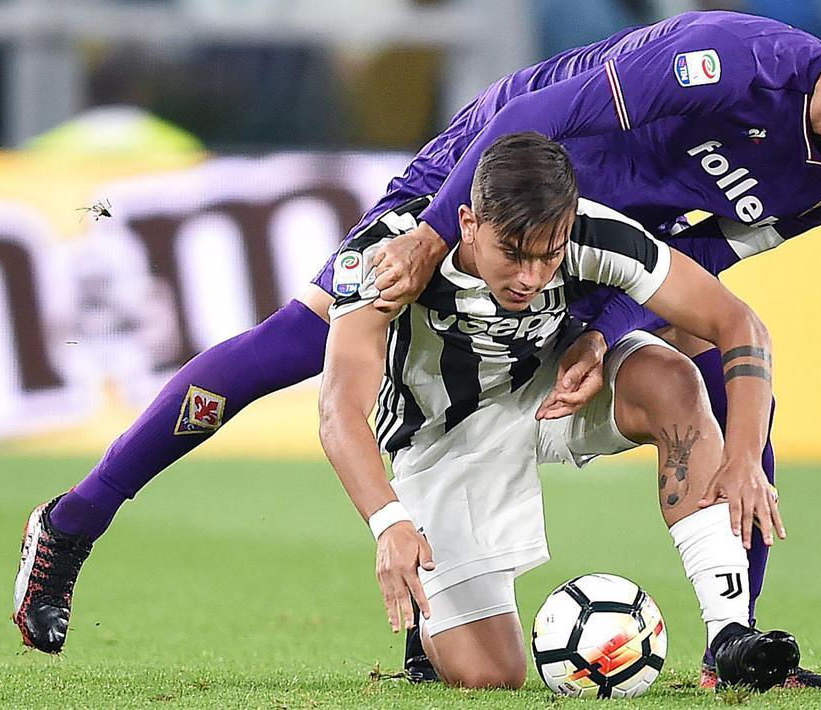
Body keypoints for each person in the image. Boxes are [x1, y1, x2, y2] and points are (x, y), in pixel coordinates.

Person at [13, 3, 821, 687]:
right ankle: (76, 519)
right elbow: (530, 119)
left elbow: (707, 258)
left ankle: (734, 640)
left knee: (705, 356)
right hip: (489, 188)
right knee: (293, 347)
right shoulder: (725, 62)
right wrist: (435, 231)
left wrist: (604, 328)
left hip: (593, 248)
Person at [321, 131, 793, 690]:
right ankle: (431, 629)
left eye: (549, 255)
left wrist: (743, 456)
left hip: (558, 391)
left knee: (674, 379)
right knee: (492, 676)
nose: (531, 276)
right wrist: (389, 521)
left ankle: (728, 634)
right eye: (513, 254)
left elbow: (740, 325)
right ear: (468, 223)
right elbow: (338, 410)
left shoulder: (596, 234)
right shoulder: (387, 254)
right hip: (443, 437)